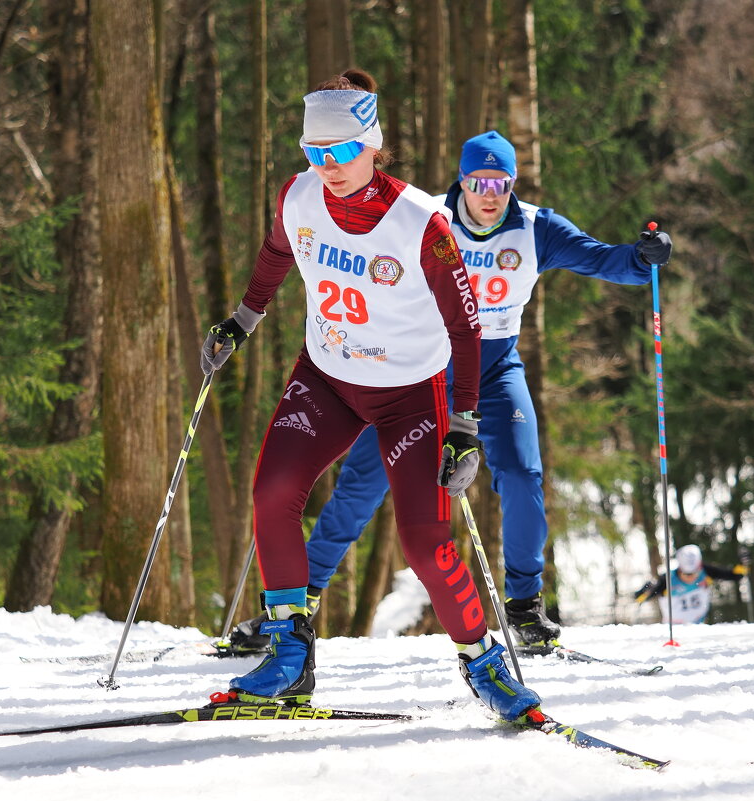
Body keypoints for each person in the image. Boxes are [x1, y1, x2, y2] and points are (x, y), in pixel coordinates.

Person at [223, 130, 674, 655]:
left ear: (512, 185)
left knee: (522, 472)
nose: (489, 194)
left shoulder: (535, 229)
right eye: (479, 182)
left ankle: (525, 606)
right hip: (421, 374)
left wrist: (643, 260)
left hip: (493, 369)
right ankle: (297, 605)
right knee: (361, 485)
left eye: (501, 184)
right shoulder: (425, 219)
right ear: (461, 180)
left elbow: (602, 260)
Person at [198, 70, 540, 723]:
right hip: (325, 376)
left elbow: (466, 327)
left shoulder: (421, 221)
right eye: (314, 152)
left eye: (341, 151)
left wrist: (464, 424)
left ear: (372, 144)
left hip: (410, 392)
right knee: (272, 492)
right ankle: (290, 652)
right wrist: (240, 321)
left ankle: (482, 660)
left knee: (423, 540)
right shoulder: (297, 197)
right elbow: (276, 252)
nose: (327, 166)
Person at [633, 544, 749, 624]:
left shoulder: (706, 571)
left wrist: (744, 564)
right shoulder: (667, 580)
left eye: (695, 572)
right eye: (687, 574)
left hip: (699, 625)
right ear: (679, 569)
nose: (692, 577)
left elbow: (734, 575)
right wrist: (645, 590)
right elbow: (641, 597)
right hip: (675, 628)